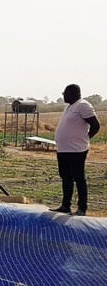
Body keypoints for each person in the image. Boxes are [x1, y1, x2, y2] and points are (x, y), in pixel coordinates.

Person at [50, 84, 101, 216]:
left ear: (74, 94)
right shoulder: (69, 107)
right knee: (66, 177)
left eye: (65, 93)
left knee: (79, 178)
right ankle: (65, 205)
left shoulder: (83, 105)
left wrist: (84, 138)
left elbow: (95, 125)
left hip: (76, 150)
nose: (63, 95)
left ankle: (82, 208)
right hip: (64, 149)